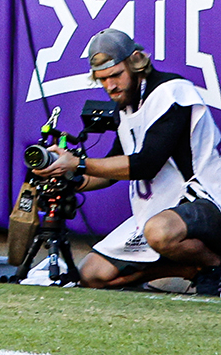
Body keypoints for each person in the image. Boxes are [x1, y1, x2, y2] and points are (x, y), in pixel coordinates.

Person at [22, 28, 221, 290]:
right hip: (158, 213)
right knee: (92, 275)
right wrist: (65, 176)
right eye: (102, 80)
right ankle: (190, 269)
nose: (110, 86)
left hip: (208, 200)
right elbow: (113, 166)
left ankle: (216, 266)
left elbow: (145, 164)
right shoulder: (126, 107)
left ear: (137, 62)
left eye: (116, 75)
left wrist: (78, 163)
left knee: (159, 232)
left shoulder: (172, 92)